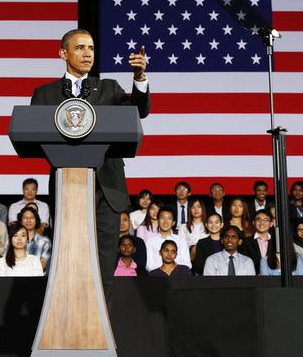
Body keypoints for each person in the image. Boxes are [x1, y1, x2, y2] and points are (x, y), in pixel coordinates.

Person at [30, 28, 149, 288]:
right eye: (80, 48)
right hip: (67, 186)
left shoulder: (108, 88)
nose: (87, 54)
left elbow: (139, 112)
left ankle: (100, 327)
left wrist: (139, 77)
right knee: (69, 260)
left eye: (91, 49)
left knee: (104, 264)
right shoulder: (44, 94)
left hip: (106, 189)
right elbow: (32, 132)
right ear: (63, 53)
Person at [144, 208, 191, 272]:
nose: (165, 221)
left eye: (169, 218)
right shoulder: (150, 241)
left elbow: (187, 264)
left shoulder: (181, 240)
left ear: (173, 223)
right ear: (158, 220)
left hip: (178, 276)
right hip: (157, 277)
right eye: (162, 218)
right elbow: (149, 266)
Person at [19, 206, 51, 271]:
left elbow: (43, 265)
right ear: (20, 221)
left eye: (32, 218)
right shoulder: (12, 240)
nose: (28, 220)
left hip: (37, 278)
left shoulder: (45, 242)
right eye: (25, 218)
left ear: (36, 221)